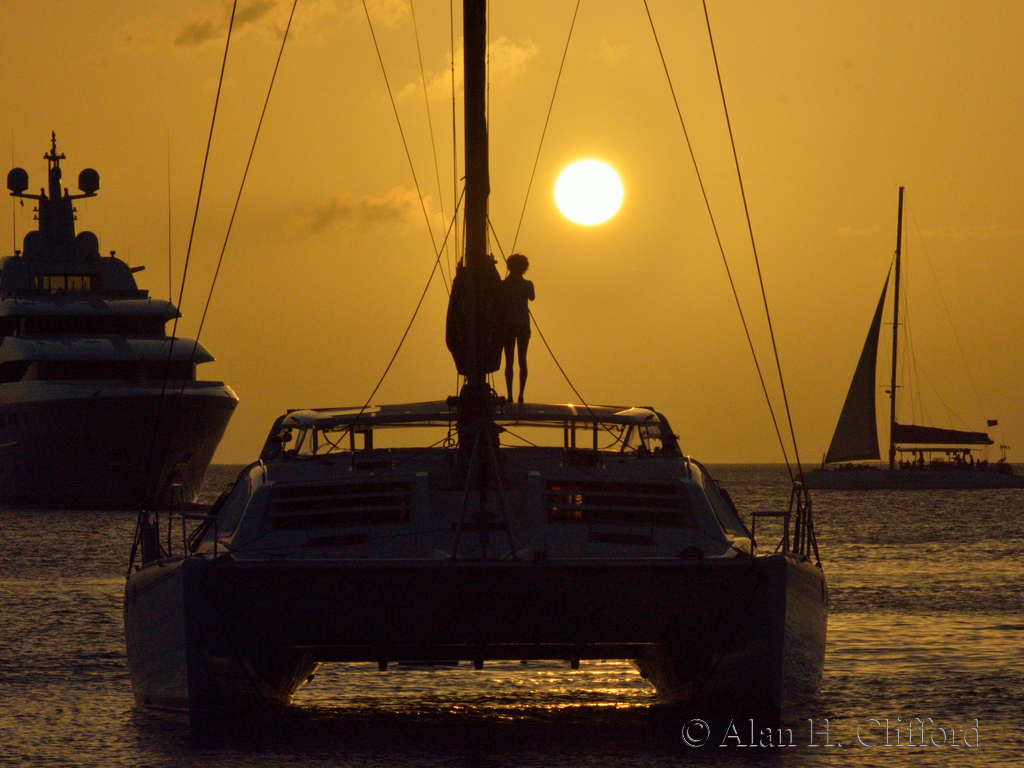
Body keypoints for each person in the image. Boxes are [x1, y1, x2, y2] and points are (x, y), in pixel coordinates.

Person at [502, 253, 534, 403]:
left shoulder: (504, 285)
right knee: (522, 359)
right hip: (522, 324)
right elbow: (532, 297)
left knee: (509, 361)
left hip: (508, 324)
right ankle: (521, 394)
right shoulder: (527, 284)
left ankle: (510, 395)